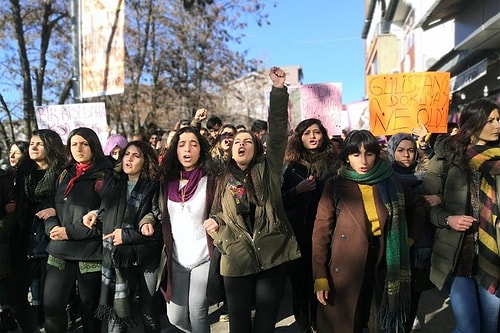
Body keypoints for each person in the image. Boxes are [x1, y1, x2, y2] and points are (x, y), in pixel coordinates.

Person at [203, 67, 301, 333]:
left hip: (271, 256)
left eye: (247, 141)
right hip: (236, 260)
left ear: (257, 148)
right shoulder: (222, 178)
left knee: (265, 324)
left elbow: (279, 131)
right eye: (237, 142)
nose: (242, 144)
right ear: (231, 151)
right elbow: (216, 213)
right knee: (240, 325)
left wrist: (279, 91)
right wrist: (215, 225)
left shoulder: (267, 170)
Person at [312, 129, 423, 332]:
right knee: (347, 322)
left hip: (384, 257)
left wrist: (409, 238)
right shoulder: (334, 184)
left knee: (377, 321)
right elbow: (321, 233)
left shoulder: (390, 180)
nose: (363, 161)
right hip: (346, 263)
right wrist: (320, 276)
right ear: (347, 157)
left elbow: (419, 206)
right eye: (356, 154)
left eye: (369, 154)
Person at [420, 99, 500, 333]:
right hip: (456, 255)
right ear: (473, 123)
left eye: (498, 119)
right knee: (469, 327)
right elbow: (426, 204)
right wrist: (448, 219)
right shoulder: (447, 155)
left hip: (494, 256)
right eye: (491, 120)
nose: (497, 124)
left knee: (491, 326)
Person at [83, 140, 163, 333]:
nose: (129, 159)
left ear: (146, 161)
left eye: (136, 156)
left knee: (148, 312)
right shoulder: (113, 183)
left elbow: (159, 226)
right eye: (127, 154)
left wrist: (127, 236)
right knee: (117, 315)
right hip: (118, 259)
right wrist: (94, 214)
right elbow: (106, 211)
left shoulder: (153, 187)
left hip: (146, 259)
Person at [43, 127, 113, 333]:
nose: (78, 148)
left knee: (90, 312)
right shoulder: (64, 173)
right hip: (58, 249)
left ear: (94, 145)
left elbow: (107, 217)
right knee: (52, 306)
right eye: (74, 144)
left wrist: (69, 232)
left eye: (84, 143)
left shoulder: (106, 174)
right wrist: (52, 227)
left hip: (89, 254)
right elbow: (48, 207)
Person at [158, 126, 218, 333]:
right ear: (175, 149)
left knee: (197, 310)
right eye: (182, 144)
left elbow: (222, 209)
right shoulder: (166, 181)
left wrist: (217, 220)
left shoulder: (210, 179)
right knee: (174, 316)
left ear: (201, 149)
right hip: (176, 258)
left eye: (194, 144)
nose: (188, 149)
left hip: (204, 257)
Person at [281, 118, 337, 333]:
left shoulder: (334, 165)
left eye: (316, 132)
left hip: (327, 235)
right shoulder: (293, 168)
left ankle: (320, 324)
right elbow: (280, 201)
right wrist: (298, 190)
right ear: (299, 138)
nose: (312, 137)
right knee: (300, 285)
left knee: (322, 282)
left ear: (323, 135)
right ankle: (303, 326)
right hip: (298, 236)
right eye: (307, 133)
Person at [8, 130, 66, 332]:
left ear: (50, 146)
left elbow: (73, 205)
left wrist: (56, 211)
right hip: (24, 243)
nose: (33, 147)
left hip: (52, 243)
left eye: (39, 144)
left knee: (51, 304)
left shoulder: (63, 174)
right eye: (31, 143)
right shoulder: (21, 174)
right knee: (16, 297)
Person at [386, 132, 434, 332]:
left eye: (411, 150)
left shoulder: (429, 176)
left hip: (421, 245)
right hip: (394, 245)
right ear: (391, 152)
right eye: (401, 150)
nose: (406, 155)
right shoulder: (384, 177)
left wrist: (437, 198)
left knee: (414, 294)